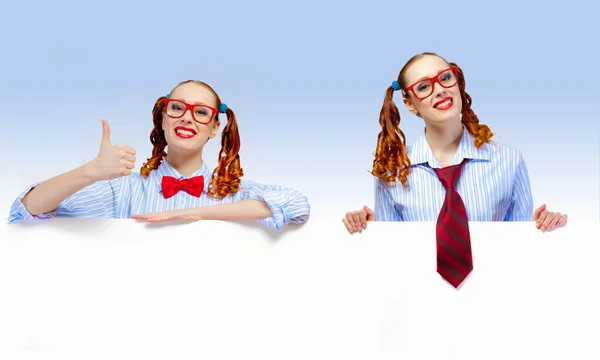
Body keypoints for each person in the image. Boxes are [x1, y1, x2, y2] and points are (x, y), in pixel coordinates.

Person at [9, 80, 310, 230]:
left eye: (201, 112)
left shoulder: (232, 194)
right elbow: (25, 209)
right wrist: (91, 172)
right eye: (177, 108)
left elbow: (298, 205)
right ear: (164, 119)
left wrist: (200, 213)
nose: (187, 118)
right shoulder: (124, 189)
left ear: (215, 127)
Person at [342, 52, 567, 234]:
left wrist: (543, 228)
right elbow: (393, 254)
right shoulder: (392, 173)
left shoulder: (509, 161)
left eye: (445, 78)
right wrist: (370, 231)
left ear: (457, 82)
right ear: (409, 104)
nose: (439, 89)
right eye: (423, 87)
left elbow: (519, 246)